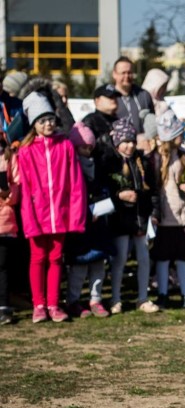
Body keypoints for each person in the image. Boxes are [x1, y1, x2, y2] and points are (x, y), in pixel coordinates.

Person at [14, 92, 87, 323]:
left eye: (50, 119)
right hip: (36, 213)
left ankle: (54, 304)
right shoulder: (25, 152)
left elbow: (76, 182)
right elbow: (25, 188)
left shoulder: (65, 146)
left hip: (61, 213)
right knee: (37, 257)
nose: (47, 124)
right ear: (34, 124)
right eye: (42, 120)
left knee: (56, 258)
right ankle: (39, 305)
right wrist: (29, 216)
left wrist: (76, 213)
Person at [149, 109, 185, 312]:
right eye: (179, 134)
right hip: (165, 220)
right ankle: (163, 294)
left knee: (184, 258)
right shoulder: (156, 160)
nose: (182, 137)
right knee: (163, 259)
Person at [106, 117, 159, 314]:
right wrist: (118, 196)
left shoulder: (142, 162)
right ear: (117, 142)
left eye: (131, 141)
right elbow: (106, 190)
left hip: (141, 220)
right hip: (120, 221)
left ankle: (143, 298)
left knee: (144, 258)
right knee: (119, 259)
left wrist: (154, 214)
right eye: (125, 142)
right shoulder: (110, 162)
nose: (129, 146)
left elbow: (152, 192)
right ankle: (115, 298)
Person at [64, 122, 113, 319]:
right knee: (79, 265)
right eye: (82, 147)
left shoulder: (98, 167)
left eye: (89, 147)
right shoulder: (69, 168)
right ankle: (73, 300)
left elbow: (104, 190)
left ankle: (96, 298)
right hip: (79, 223)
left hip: (98, 221)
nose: (86, 151)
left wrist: (102, 206)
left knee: (98, 264)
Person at [0, 143, 18, 325]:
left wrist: (7, 194)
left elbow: (16, 185)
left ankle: (3, 306)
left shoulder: (8, 157)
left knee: (2, 266)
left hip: (3, 221)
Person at [111, 57, 154, 133]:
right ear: (114, 74)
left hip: (142, 143)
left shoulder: (144, 95)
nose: (127, 76)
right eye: (123, 73)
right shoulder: (109, 97)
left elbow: (152, 121)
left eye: (129, 72)